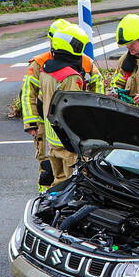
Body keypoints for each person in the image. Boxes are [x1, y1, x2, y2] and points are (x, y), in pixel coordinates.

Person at [21, 18, 98, 192]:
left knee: (56, 171)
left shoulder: (83, 62)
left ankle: (50, 198)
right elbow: (27, 93)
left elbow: (97, 83)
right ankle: (44, 196)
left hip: (54, 128)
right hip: (46, 124)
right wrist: (32, 122)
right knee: (47, 166)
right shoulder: (39, 64)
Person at [39, 23, 103, 186]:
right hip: (69, 141)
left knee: (58, 181)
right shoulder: (70, 77)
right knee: (73, 185)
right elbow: (75, 111)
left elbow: (41, 101)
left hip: (53, 140)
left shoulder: (46, 70)